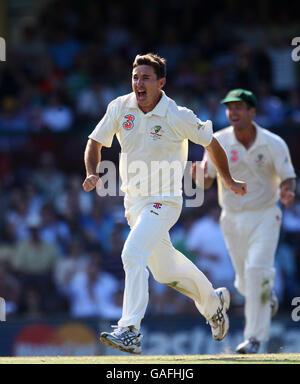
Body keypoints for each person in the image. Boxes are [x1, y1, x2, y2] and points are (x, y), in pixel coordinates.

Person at [82, 54, 246, 355]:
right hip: (135, 204)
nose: (138, 83)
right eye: (135, 77)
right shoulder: (120, 107)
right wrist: (93, 171)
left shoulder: (178, 115)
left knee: (132, 254)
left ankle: (129, 330)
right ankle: (214, 302)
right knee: (164, 271)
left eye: (145, 78)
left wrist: (229, 180)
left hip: (165, 201)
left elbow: (212, 143)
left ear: (161, 83)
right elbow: (95, 142)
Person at [192, 88, 296, 354]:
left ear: (252, 111)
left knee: (257, 271)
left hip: (265, 215)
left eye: (239, 107)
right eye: (230, 108)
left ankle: (254, 339)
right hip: (232, 219)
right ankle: (265, 293)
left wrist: (287, 189)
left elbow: (288, 176)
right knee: (244, 283)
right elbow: (206, 181)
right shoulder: (218, 140)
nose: (233, 112)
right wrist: (199, 177)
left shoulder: (273, 143)